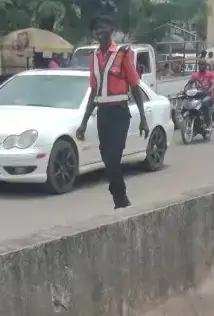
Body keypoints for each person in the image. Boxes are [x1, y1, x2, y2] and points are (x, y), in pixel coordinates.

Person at [77, 13, 149, 209]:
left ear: (112, 30)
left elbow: (134, 86)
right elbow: (93, 90)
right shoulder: (93, 58)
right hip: (102, 114)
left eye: (103, 27)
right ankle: (118, 194)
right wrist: (83, 122)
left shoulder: (122, 54)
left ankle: (120, 197)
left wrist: (143, 118)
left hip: (119, 112)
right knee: (105, 156)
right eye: (96, 28)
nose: (99, 31)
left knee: (113, 157)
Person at [188, 58, 214, 128]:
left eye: (203, 65)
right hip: (197, 95)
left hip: (207, 95)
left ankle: (207, 121)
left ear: (206, 65)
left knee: (204, 103)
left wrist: (210, 89)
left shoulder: (210, 74)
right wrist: (187, 90)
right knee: (188, 103)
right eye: (200, 65)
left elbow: (213, 84)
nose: (201, 66)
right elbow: (189, 83)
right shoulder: (195, 75)